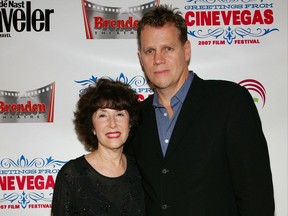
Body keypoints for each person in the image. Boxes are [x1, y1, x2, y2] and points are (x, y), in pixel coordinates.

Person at [127, 5, 275, 216]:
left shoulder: (230, 101)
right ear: (141, 58)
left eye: (167, 48)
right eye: (150, 51)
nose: (158, 59)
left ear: (186, 50)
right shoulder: (136, 118)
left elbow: (257, 198)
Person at [51, 79, 145, 216]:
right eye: (102, 115)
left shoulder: (141, 170)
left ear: (130, 123)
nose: (112, 124)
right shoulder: (72, 175)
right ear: (92, 127)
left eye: (119, 114)